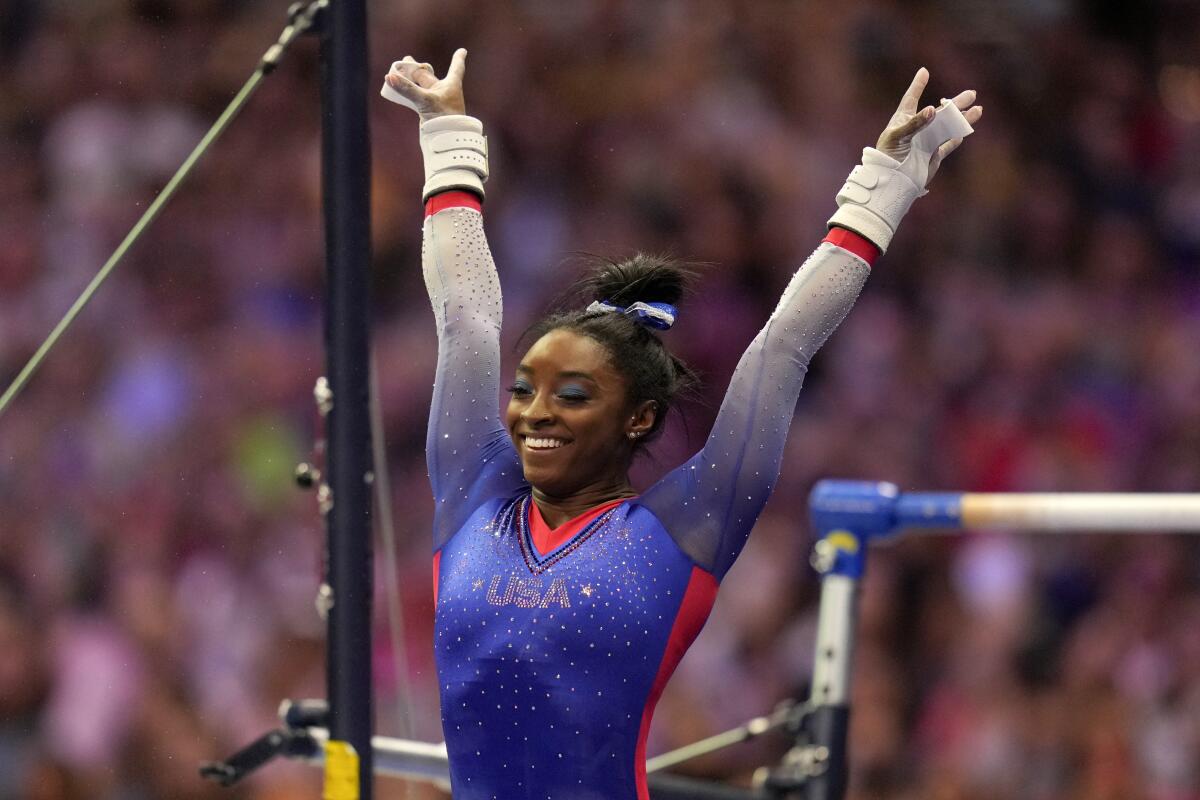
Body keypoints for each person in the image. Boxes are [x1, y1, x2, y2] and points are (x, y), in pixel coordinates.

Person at [383, 48, 981, 800]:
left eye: (571, 395)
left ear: (638, 418)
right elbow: (466, 321)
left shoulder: (680, 530)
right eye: (527, 388)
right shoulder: (473, 492)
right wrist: (448, 138)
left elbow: (781, 349)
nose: (533, 411)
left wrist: (881, 193)